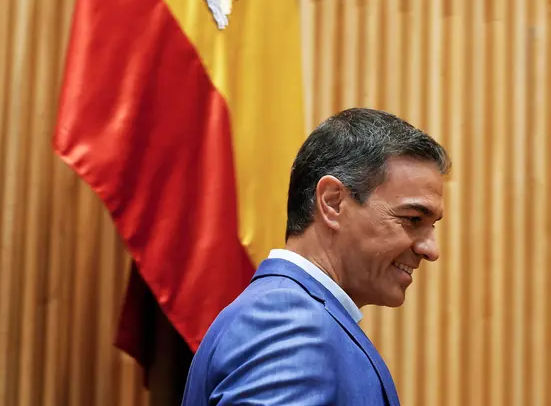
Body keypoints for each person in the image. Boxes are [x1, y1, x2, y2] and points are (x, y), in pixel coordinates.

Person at [181, 108, 451, 405]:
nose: (431, 250)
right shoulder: (288, 320)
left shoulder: (302, 316)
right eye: (413, 219)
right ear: (333, 203)